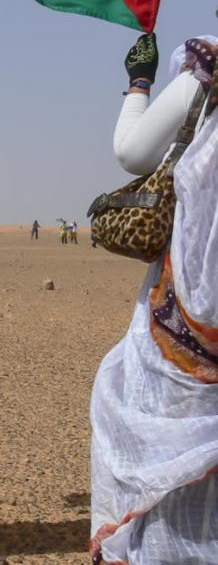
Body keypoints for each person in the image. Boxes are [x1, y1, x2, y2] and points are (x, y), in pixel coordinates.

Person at [90, 33, 218, 564]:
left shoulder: (206, 67)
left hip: (194, 304)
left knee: (170, 430)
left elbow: (132, 152)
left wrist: (138, 84)